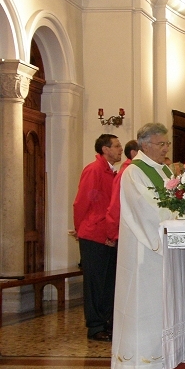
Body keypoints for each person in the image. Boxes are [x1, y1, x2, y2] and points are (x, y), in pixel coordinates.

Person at [111, 123, 175, 369]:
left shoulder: (165, 170)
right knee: (145, 303)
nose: (165, 148)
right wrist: (177, 217)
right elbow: (145, 210)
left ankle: (165, 354)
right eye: (162, 144)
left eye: (167, 144)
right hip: (145, 250)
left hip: (164, 248)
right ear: (145, 145)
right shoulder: (133, 173)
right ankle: (144, 359)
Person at [73, 134, 122, 342]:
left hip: (108, 234)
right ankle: (95, 326)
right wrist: (81, 229)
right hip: (94, 234)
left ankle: (107, 321)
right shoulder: (93, 170)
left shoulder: (112, 172)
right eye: (117, 146)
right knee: (95, 283)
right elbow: (82, 203)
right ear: (105, 149)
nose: (120, 149)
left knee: (108, 282)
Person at [106, 140, 138, 242]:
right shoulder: (126, 173)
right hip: (125, 231)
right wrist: (113, 234)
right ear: (134, 153)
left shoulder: (135, 171)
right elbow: (116, 204)